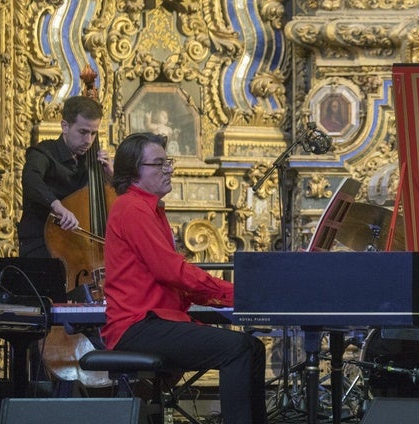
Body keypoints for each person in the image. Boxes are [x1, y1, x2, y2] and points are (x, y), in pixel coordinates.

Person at [101, 132, 267, 424]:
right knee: (237, 349)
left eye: (168, 162)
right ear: (134, 172)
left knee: (253, 347)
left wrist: (231, 295)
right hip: (138, 326)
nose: (169, 169)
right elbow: (173, 271)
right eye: (159, 163)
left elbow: (176, 281)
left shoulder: (150, 210)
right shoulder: (132, 208)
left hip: (154, 321)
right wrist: (238, 294)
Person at [19, 96, 113, 257]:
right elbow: (31, 178)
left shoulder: (92, 163)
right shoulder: (44, 152)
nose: (88, 140)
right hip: (41, 245)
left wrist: (111, 176)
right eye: (83, 132)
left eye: (93, 133)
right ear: (65, 126)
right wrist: (57, 206)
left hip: (78, 248)